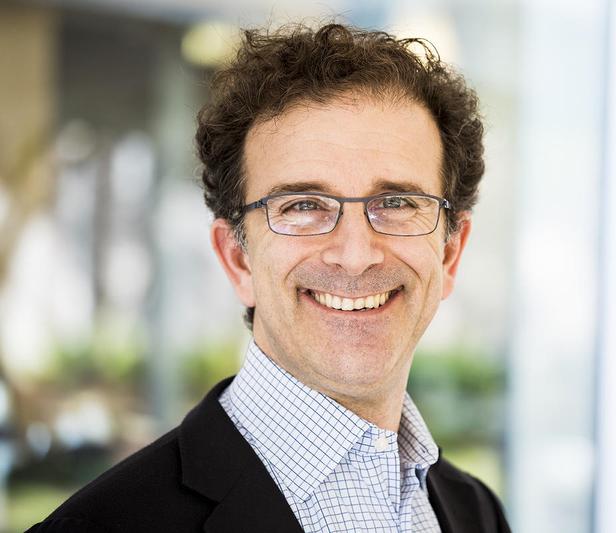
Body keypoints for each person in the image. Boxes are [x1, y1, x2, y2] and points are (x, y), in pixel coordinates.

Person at [29, 23, 511, 533]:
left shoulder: (474, 511)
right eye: (302, 205)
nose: (355, 255)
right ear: (238, 258)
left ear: (450, 254)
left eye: (396, 202)